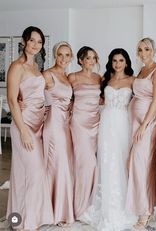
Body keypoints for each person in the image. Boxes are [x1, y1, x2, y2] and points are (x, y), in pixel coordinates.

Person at [79, 48, 135, 230]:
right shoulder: (105, 80)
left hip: (123, 124)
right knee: (106, 161)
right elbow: (92, 98)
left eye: (121, 60)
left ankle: (123, 204)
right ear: (111, 63)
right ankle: (105, 206)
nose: (117, 64)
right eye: (114, 61)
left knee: (121, 161)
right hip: (106, 123)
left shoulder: (133, 81)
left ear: (126, 62)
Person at [6, 26, 53, 230]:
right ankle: (27, 222)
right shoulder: (16, 66)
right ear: (24, 42)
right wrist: (23, 130)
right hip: (23, 125)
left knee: (24, 173)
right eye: (32, 41)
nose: (35, 45)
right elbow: (11, 99)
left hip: (39, 124)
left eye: (39, 42)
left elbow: (39, 92)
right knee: (34, 172)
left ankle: (22, 218)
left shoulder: (37, 68)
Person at [126, 37, 156, 229]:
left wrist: (143, 126)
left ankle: (145, 211)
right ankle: (145, 204)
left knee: (142, 163)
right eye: (140, 49)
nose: (143, 53)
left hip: (148, 122)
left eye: (147, 49)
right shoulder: (141, 70)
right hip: (135, 122)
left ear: (154, 50)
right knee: (140, 164)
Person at [68, 46, 102, 219]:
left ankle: (89, 202)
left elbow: (104, 98)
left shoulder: (99, 78)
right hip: (79, 123)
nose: (91, 61)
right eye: (87, 58)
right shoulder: (72, 77)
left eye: (94, 58)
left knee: (90, 163)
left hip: (95, 124)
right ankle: (78, 207)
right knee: (86, 163)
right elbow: (64, 97)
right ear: (80, 60)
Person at [42, 41, 74, 226]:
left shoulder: (67, 76)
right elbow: (32, 93)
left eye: (67, 55)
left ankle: (60, 209)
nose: (63, 59)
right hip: (53, 125)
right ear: (55, 55)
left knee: (64, 166)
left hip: (65, 126)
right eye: (60, 55)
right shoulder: (47, 74)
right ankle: (52, 211)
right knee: (55, 165)